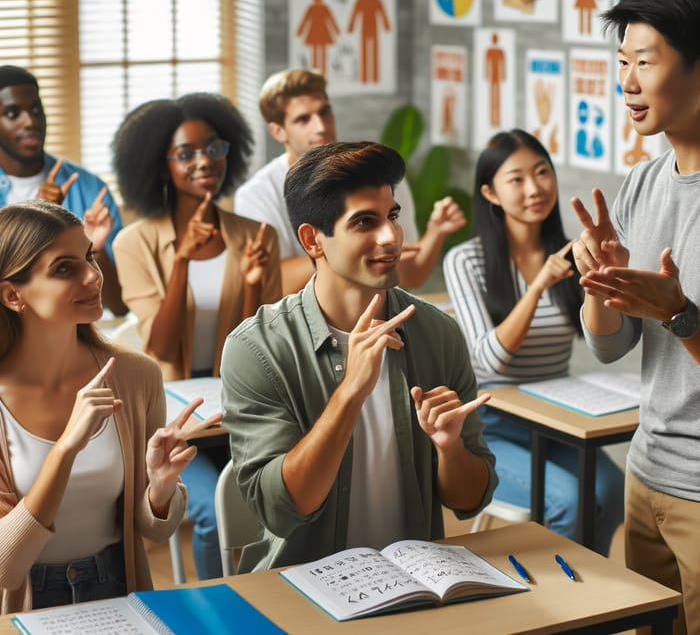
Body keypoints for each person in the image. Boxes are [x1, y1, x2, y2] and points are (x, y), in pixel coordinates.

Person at [222, 141, 497, 572]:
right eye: (364, 222)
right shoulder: (257, 349)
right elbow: (281, 509)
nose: (391, 237)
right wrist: (350, 390)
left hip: (412, 586)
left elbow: (470, 499)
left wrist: (451, 449)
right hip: (301, 590)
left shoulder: (438, 334)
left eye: (391, 216)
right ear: (313, 240)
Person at [0, 200, 217, 614]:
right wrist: (65, 449)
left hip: (119, 587)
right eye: (65, 268)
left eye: (90, 257)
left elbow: (154, 531)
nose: (93, 277)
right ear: (13, 294)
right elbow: (4, 569)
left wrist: (160, 487)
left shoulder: (136, 376)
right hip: (25, 606)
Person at [570, 0, 700, 634]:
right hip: (645, 473)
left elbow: (677, 321)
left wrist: (681, 314)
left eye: (645, 63)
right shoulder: (642, 184)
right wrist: (603, 284)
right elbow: (611, 344)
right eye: (621, 63)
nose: (626, 83)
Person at [111, 92, 281, 581]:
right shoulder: (135, 242)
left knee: (275, 494)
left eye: (213, 147)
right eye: (185, 153)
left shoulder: (257, 236)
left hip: (236, 403)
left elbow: (254, 347)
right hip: (171, 416)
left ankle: (269, 597)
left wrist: (251, 286)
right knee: (210, 512)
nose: (204, 161)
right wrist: (181, 260)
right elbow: (160, 347)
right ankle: (216, 606)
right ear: (161, 168)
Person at [442, 129, 624, 555]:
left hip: (554, 418)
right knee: (566, 501)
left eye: (542, 172)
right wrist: (538, 284)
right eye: (517, 179)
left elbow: (602, 335)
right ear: (490, 192)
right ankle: (566, 605)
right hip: (489, 426)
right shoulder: (465, 260)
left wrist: (608, 272)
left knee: (613, 490)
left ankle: (589, 600)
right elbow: (490, 359)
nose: (535, 188)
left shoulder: (571, 252)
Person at [234, 68, 466, 294]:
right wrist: (352, 249)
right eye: (303, 119)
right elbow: (271, 283)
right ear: (278, 131)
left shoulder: (379, 174)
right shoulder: (256, 196)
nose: (321, 126)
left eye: (325, 112)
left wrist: (436, 233)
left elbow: (411, 275)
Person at [0, 65, 126, 315]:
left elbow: (119, 304)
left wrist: (92, 248)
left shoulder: (90, 189)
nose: (31, 121)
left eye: (36, 110)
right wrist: (42, 216)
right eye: (13, 113)